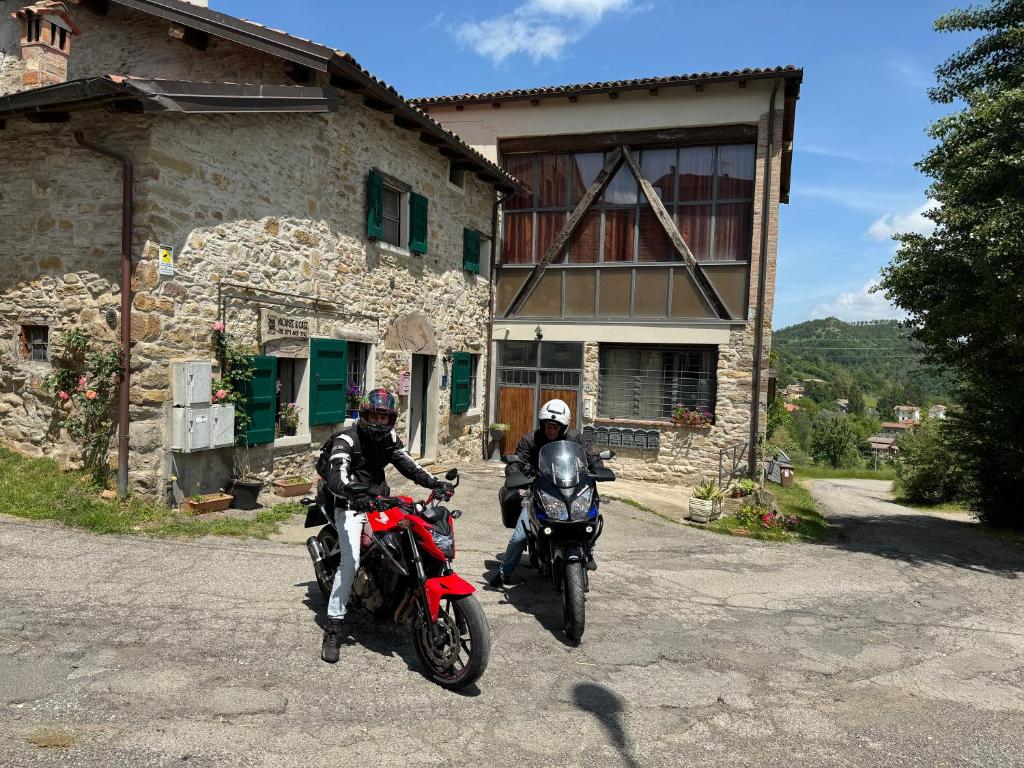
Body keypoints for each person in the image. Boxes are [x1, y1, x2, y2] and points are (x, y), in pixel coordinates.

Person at [318, 388, 453, 664]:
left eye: (385, 418)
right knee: (350, 561)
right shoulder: (346, 439)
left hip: (380, 501)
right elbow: (336, 475)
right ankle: (333, 628)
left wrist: (434, 482)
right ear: (364, 415)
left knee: (408, 536)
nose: (380, 423)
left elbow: (409, 465)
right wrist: (351, 491)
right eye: (375, 417)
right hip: (350, 504)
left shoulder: (390, 439)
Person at [489, 398, 604, 589]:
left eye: (555, 427)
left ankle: (588, 550)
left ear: (564, 427)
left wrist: (599, 468)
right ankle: (504, 573)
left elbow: (590, 457)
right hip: (539, 490)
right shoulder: (530, 439)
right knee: (520, 536)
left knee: (590, 516)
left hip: (569, 488)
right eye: (548, 426)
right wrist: (516, 474)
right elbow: (517, 461)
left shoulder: (575, 438)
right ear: (542, 424)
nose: (551, 431)